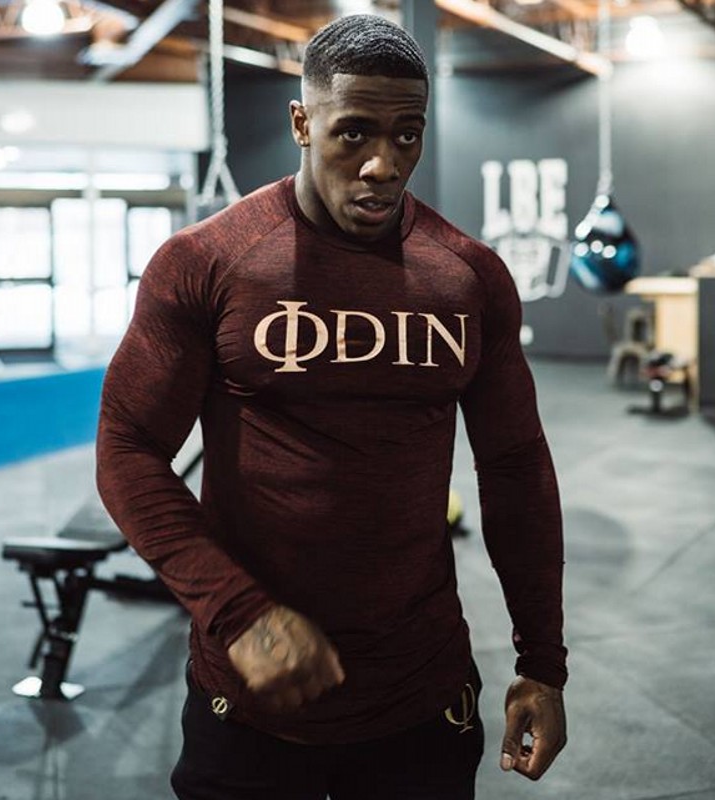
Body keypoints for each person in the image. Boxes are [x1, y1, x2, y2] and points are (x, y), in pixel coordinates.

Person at [96, 13, 567, 800]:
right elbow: (127, 447)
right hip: (249, 703)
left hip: (420, 692)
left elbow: (515, 466)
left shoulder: (468, 277)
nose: (384, 165)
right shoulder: (206, 263)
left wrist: (543, 663)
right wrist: (237, 611)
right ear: (302, 123)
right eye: (354, 133)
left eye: (408, 135)